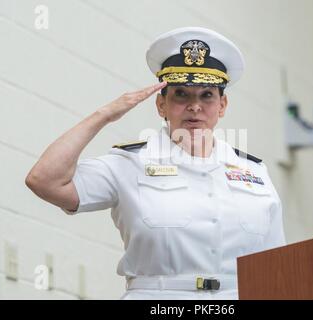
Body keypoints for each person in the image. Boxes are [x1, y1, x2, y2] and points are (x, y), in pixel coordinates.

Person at [25, 27, 286, 300]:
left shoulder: (254, 173)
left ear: (222, 105)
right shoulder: (128, 164)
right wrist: (105, 115)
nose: (195, 106)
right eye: (181, 95)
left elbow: (277, 268)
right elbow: (43, 180)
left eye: (207, 95)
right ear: (161, 105)